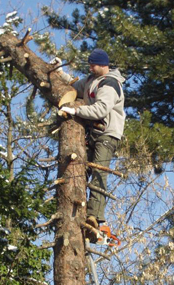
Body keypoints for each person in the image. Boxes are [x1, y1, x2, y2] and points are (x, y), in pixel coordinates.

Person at [51, 49, 126, 230]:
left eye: (93, 65)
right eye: (90, 65)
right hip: (94, 132)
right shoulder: (92, 80)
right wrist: (59, 72)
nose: (90, 68)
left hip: (107, 134)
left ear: (102, 65)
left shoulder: (110, 84)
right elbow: (73, 86)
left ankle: (95, 216)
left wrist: (76, 111)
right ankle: (74, 207)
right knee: (80, 169)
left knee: (99, 171)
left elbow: (101, 110)